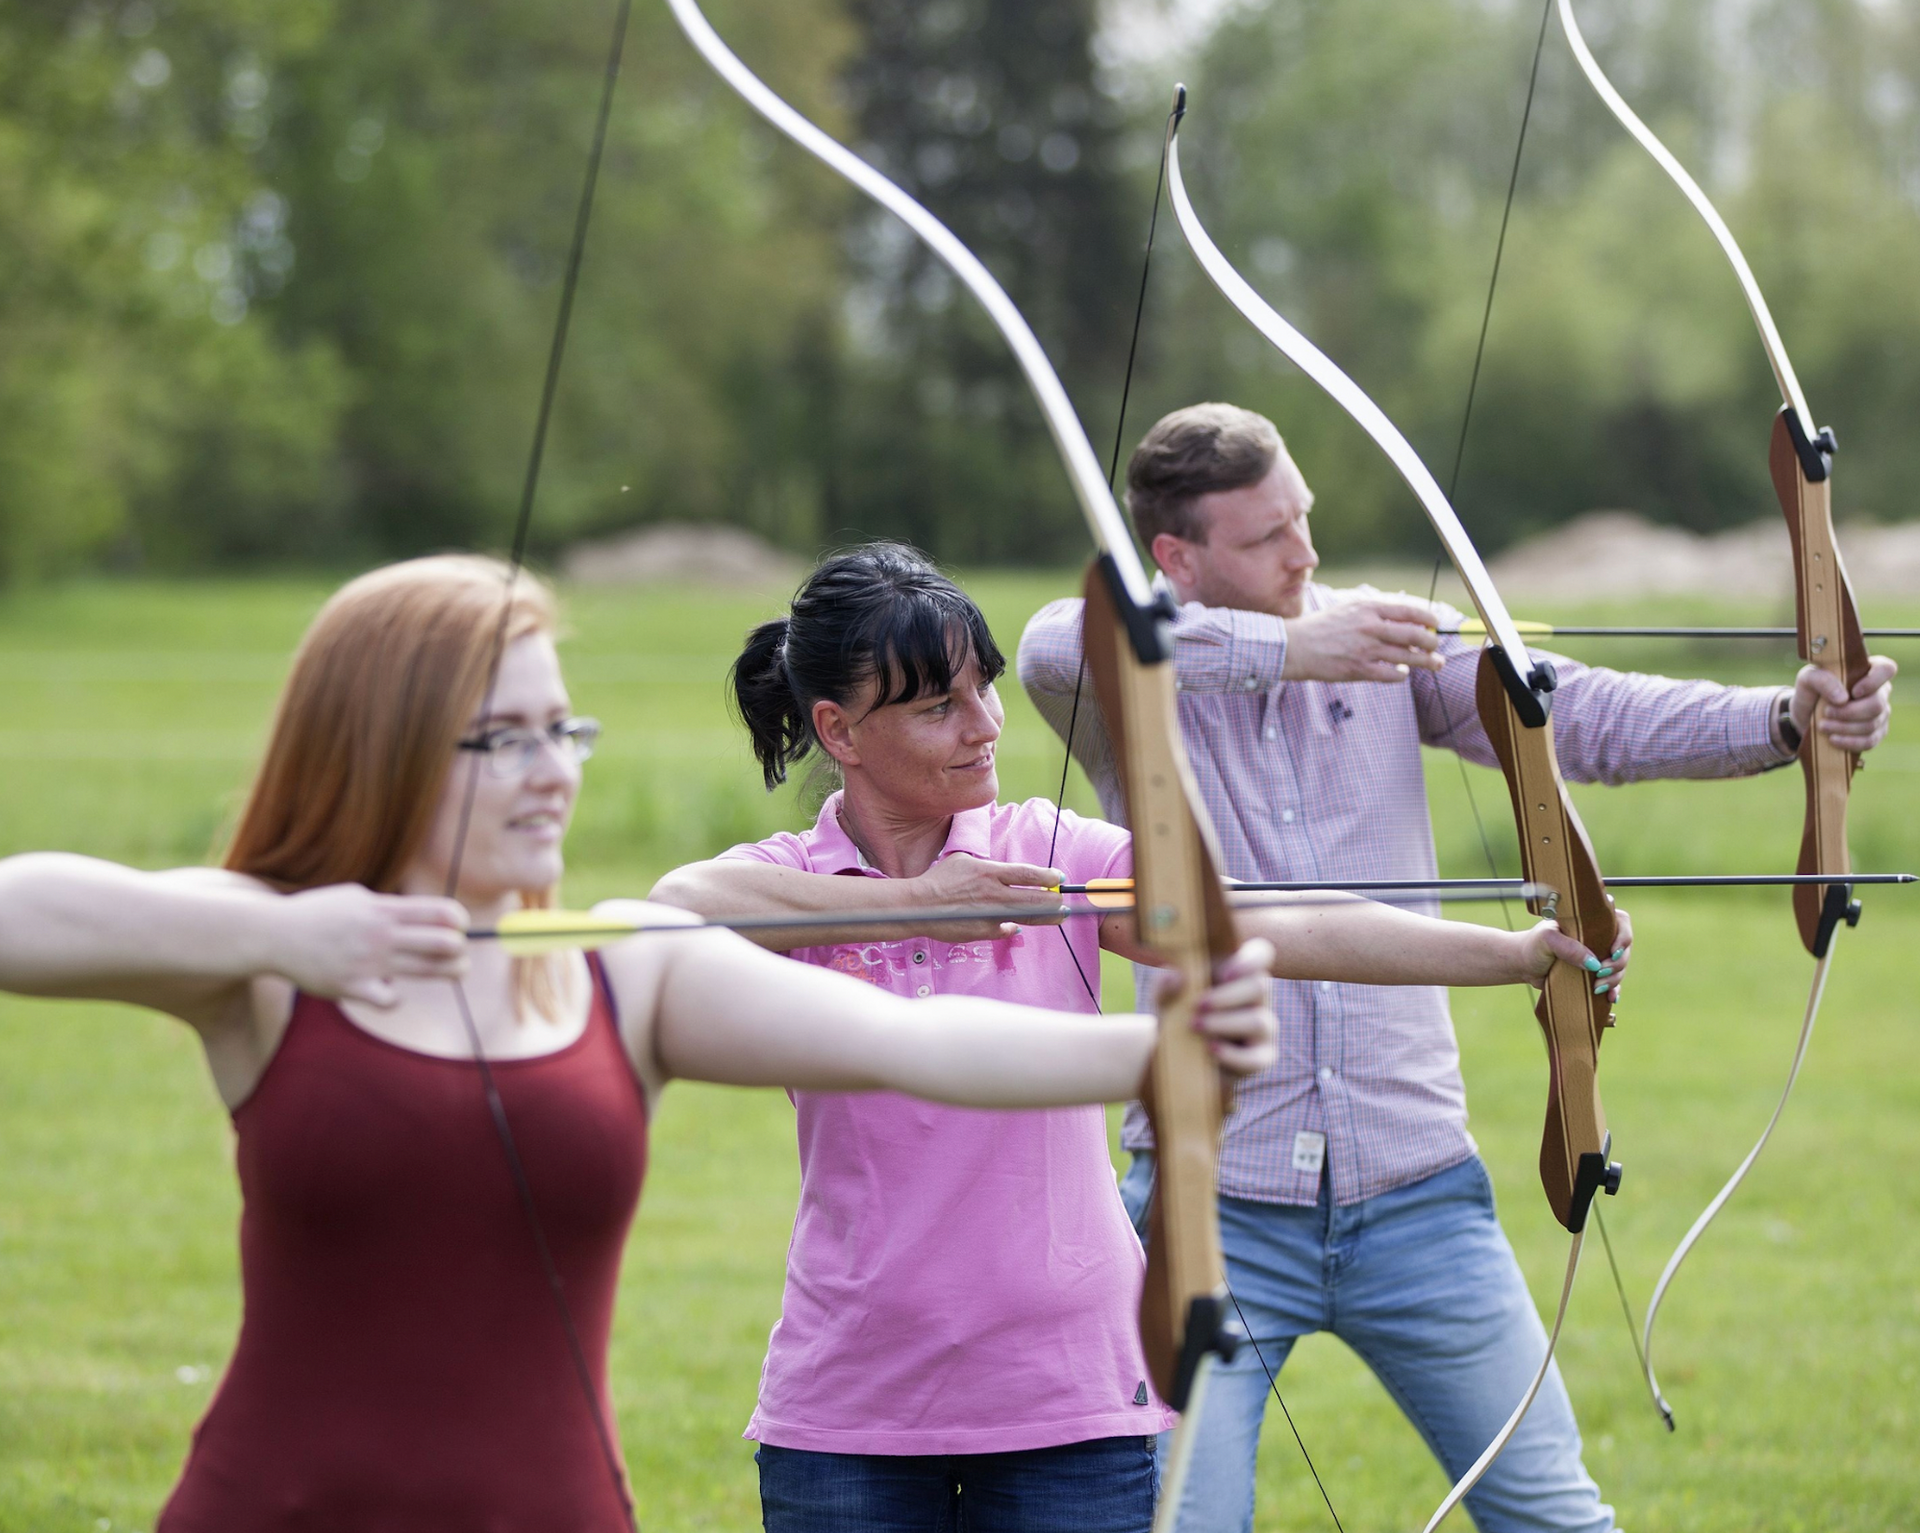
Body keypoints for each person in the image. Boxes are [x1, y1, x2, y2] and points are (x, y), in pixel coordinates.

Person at [0, 553, 1291, 1533]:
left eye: (563, 729)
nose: (554, 769)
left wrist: (1160, 1056)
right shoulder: (270, 965)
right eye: (503, 736)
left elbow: (920, 1043)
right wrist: (289, 935)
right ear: (382, 743)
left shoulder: (616, 958)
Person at [1016, 402, 1899, 1533]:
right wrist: (1288, 649)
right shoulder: (1125, 677)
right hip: (1210, 1203)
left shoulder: (1386, 644)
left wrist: (1782, 721)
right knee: (1182, 1522)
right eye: (1269, 537)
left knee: (1556, 1518)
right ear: (1177, 557)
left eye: (1306, 518)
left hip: (1418, 1195)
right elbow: (1055, 637)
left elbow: (1576, 712)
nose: (1309, 555)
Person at [648, 541, 1630, 1533]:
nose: (987, 726)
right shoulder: (794, 883)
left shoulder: (1050, 855)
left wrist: (1513, 955)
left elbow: (1275, 922)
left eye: (982, 689)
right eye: (938, 706)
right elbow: (671, 908)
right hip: (848, 1409)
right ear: (838, 731)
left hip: (1072, 1400)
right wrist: (909, 905)